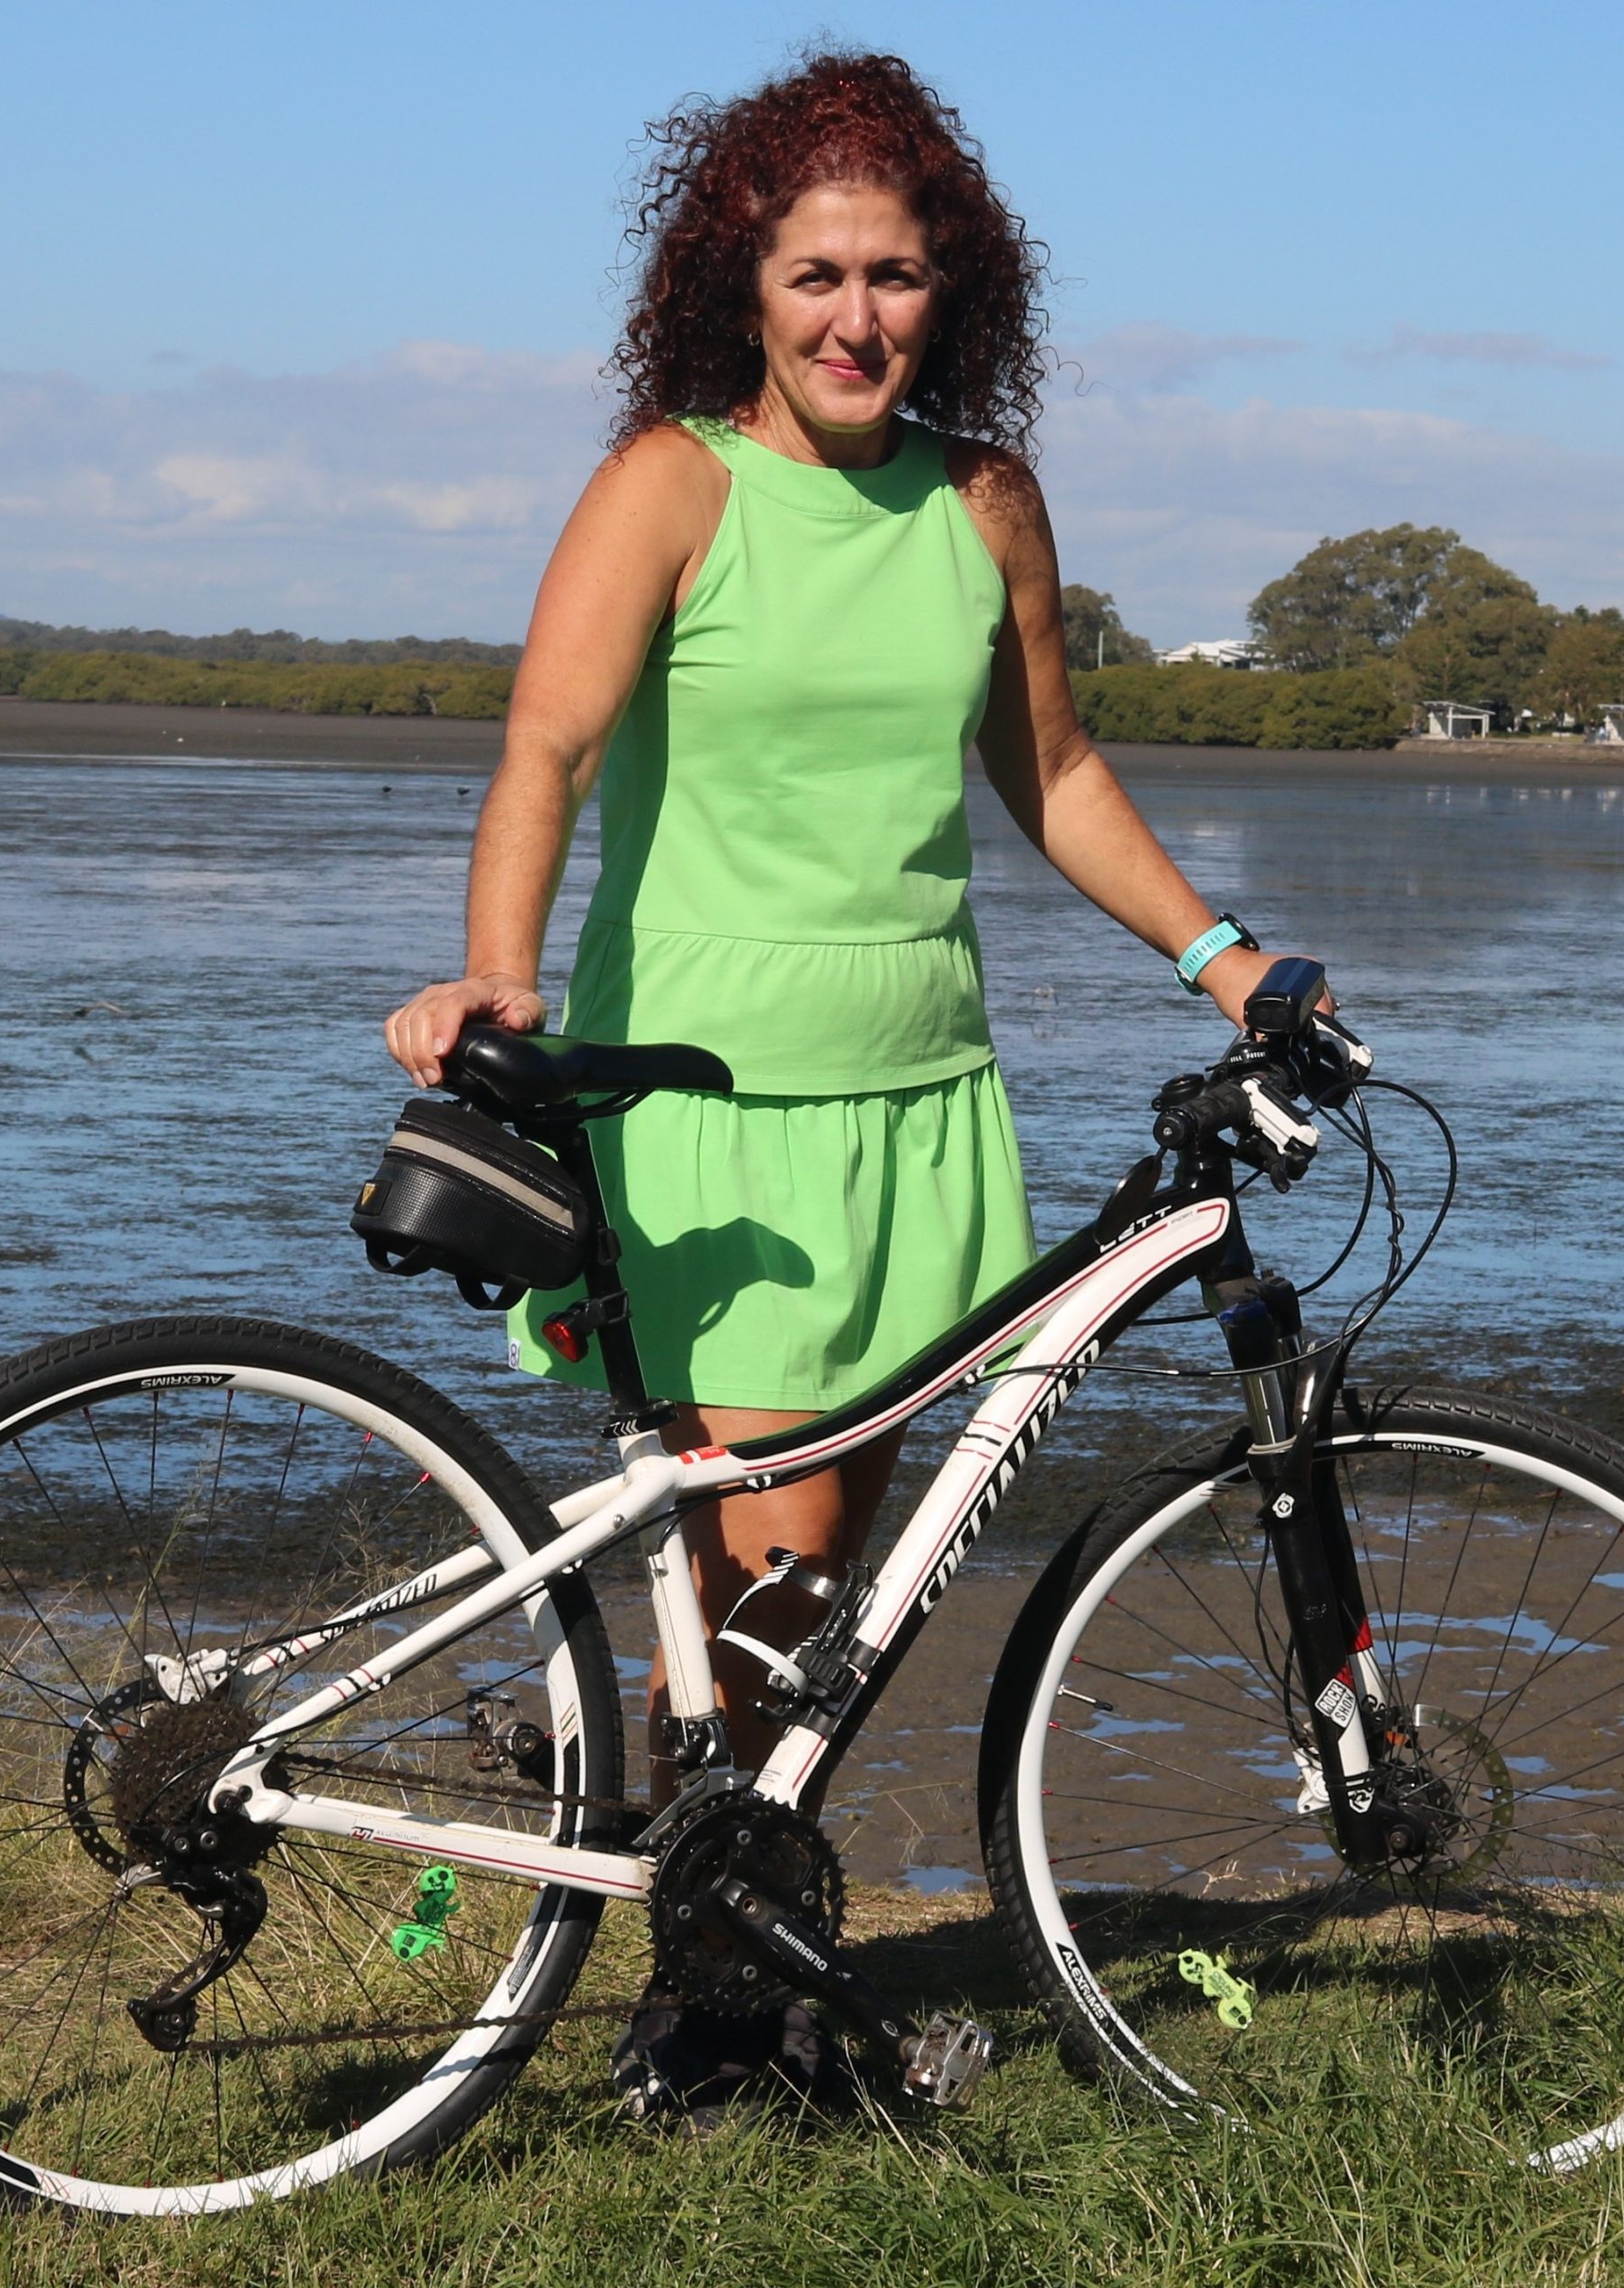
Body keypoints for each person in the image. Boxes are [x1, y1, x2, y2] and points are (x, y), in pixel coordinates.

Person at [383, 50, 1316, 2124]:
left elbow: (1051, 772)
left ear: (950, 288)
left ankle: (708, 1990)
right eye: (816, 273)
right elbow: (542, 747)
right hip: (706, 1096)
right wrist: (503, 981)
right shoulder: (674, 482)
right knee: (762, 1584)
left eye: (896, 275)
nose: (856, 317)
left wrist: (1231, 961)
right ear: (743, 279)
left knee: (822, 1615)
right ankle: (712, 2009)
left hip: (919, 1102)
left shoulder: (984, 504)